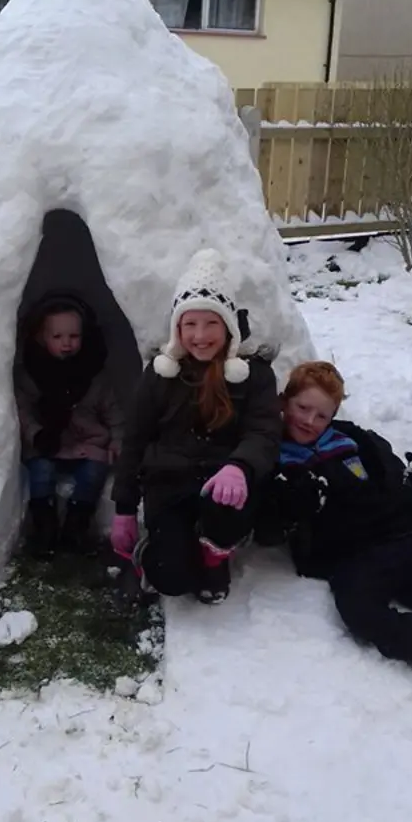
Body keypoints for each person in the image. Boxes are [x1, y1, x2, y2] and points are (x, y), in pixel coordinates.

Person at [110, 249, 281, 603]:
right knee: (171, 578)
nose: (200, 336)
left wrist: (240, 466)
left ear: (229, 325)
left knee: (225, 513)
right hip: (169, 486)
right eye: (190, 324)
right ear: (177, 328)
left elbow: (263, 431)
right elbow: (135, 439)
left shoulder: (254, 375)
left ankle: (215, 554)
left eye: (211, 323)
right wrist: (124, 509)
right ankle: (166, 549)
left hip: (224, 490)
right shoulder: (160, 375)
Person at [258, 360, 412, 667]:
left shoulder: (350, 440)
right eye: (302, 407)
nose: (309, 420)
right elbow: (268, 526)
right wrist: (295, 505)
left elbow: (393, 478)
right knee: (360, 610)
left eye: (321, 416)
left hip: (402, 534)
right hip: (355, 556)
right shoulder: (274, 456)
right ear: (284, 401)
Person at [15, 293, 123, 555]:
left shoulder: (95, 375)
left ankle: (78, 520)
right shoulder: (31, 374)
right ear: (41, 338)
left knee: (94, 472)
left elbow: (114, 413)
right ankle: (44, 522)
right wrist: (36, 435)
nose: (67, 344)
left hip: (88, 443)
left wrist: (118, 440)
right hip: (48, 441)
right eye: (57, 337)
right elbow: (23, 411)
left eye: (74, 337)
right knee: (40, 470)